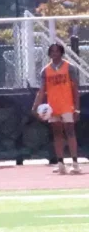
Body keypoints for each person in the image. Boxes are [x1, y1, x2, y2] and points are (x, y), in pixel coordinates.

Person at [33, 42, 81, 175]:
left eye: (57, 51)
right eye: (52, 51)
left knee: (70, 132)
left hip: (67, 105)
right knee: (57, 134)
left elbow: (75, 89)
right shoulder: (45, 70)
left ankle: (75, 163)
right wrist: (35, 106)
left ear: (61, 52)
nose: (55, 53)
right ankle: (60, 163)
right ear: (49, 53)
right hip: (52, 107)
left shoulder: (69, 68)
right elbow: (42, 90)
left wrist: (77, 109)